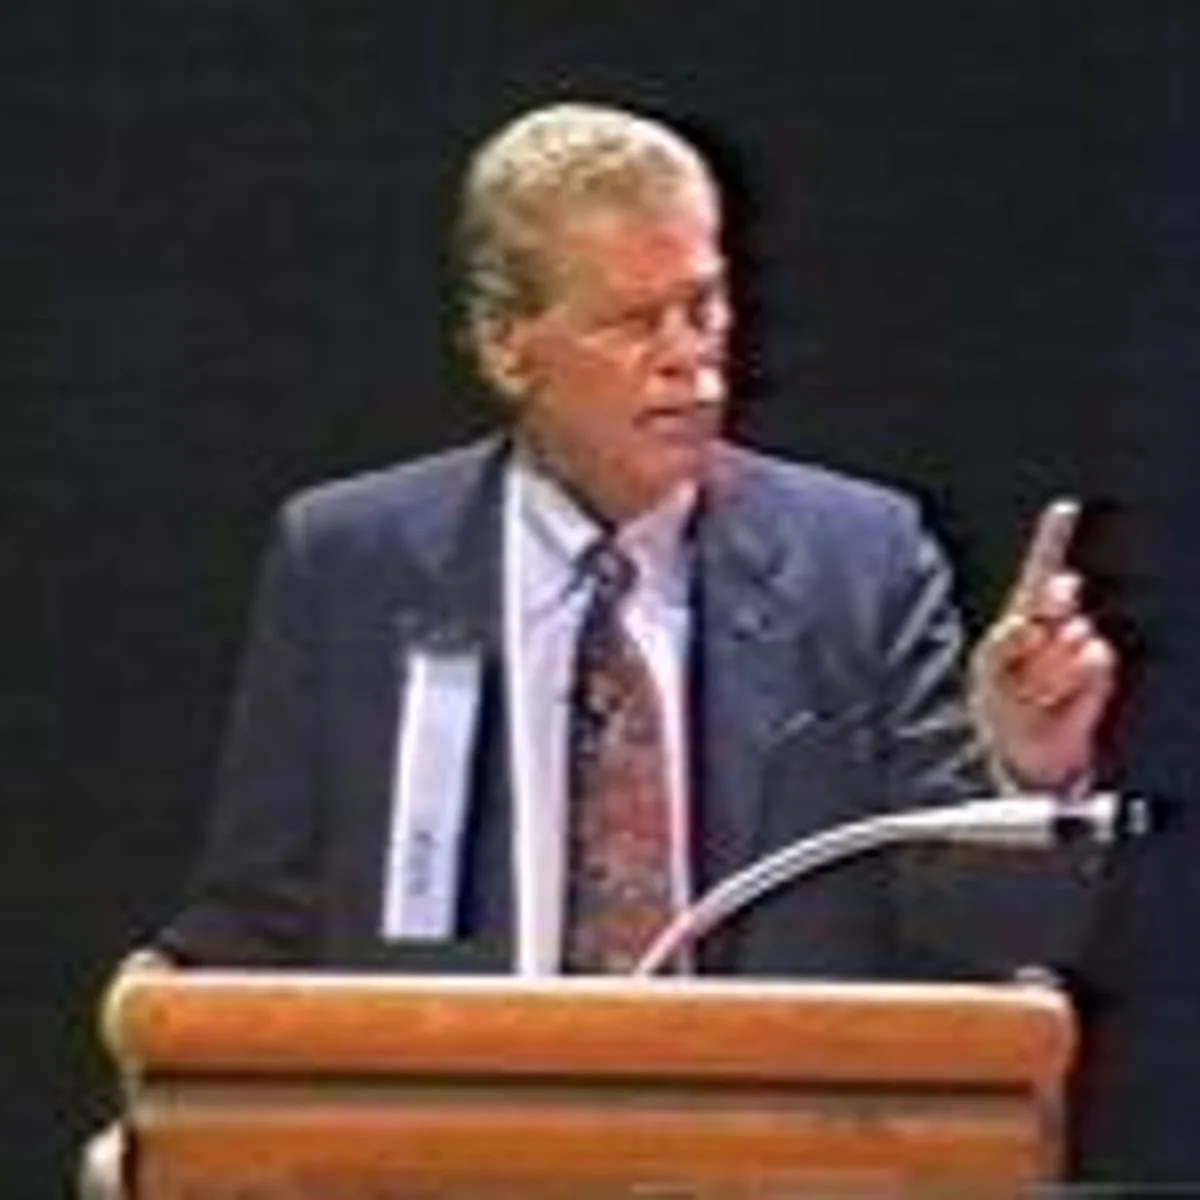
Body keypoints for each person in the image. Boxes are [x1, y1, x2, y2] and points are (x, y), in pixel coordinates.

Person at [121, 100, 1115, 982]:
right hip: (455, 1115)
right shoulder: (352, 565)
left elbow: (989, 940)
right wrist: (162, 1035)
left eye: (704, 305)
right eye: (636, 322)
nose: (691, 358)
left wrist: (1026, 775)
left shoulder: (859, 563)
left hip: (761, 1122)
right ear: (508, 346)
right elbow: (262, 917)